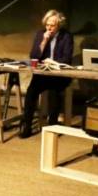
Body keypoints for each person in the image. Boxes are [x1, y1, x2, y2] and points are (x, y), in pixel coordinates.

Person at [19, 9, 74, 138]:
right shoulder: (40, 34)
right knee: (31, 92)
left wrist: (52, 62)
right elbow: (34, 56)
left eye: (52, 25)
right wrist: (44, 41)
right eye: (47, 25)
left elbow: (67, 58)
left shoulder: (66, 36)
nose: (49, 28)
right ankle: (27, 125)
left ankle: (52, 126)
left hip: (59, 75)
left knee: (54, 93)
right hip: (43, 74)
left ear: (59, 25)